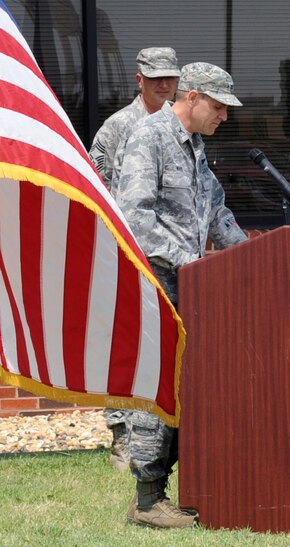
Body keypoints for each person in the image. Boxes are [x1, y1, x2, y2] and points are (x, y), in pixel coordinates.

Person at [114, 62, 248, 528]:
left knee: (187, 388)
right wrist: (187, 259)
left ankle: (177, 491)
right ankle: (147, 500)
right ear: (191, 97)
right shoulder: (147, 138)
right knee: (159, 388)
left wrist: (253, 258)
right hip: (156, 284)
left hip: (193, 291)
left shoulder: (195, 149)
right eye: (218, 107)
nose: (224, 117)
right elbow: (134, 217)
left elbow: (217, 214)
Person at [89, 47, 181, 471]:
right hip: (126, 251)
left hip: (169, 255)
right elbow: (98, 190)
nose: (164, 85)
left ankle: (159, 432)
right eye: (155, 78)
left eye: (170, 78)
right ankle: (121, 436)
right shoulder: (117, 128)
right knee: (125, 339)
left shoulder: (181, 127)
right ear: (138, 79)